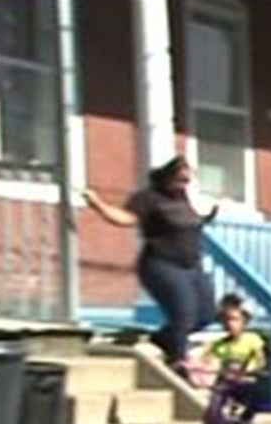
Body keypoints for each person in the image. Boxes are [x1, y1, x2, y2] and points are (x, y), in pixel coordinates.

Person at [82, 157, 220, 370]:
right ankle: (178, 360)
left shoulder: (184, 198)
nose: (183, 185)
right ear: (168, 177)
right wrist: (97, 204)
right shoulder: (148, 198)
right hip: (162, 264)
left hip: (192, 265)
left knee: (207, 314)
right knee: (184, 313)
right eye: (180, 180)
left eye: (187, 180)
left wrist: (209, 214)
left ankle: (165, 338)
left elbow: (192, 223)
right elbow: (125, 218)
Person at [185, 294, 271, 424]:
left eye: (234, 320)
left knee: (255, 397)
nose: (230, 324)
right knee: (216, 400)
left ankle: (246, 422)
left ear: (244, 321)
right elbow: (205, 360)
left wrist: (254, 370)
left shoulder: (251, 339)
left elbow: (261, 360)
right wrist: (195, 366)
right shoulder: (220, 344)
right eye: (225, 321)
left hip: (246, 380)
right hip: (227, 382)